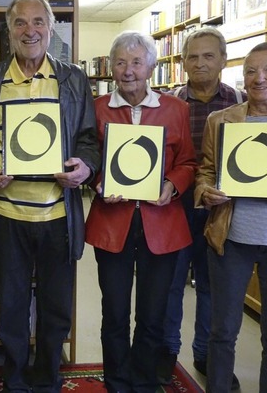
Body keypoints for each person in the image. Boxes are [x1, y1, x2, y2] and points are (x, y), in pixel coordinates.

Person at [0, 0, 100, 392]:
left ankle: (48, 377)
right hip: (6, 215)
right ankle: (16, 378)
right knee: (12, 304)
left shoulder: (72, 78)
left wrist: (84, 167)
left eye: (38, 22)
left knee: (57, 307)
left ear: (51, 28)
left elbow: (89, 139)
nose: (30, 30)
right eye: (20, 23)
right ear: (8, 32)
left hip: (58, 214)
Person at [195, 42, 267, 393]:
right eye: (250, 71)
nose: (258, 78)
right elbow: (205, 173)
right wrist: (206, 192)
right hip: (230, 240)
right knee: (222, 333)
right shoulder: (223, 121)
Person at [84, 31, 196, 393]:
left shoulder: (176, 109)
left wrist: (172, 186)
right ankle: (117, 382)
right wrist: (99, 182)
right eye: (120, 62)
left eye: (136, 62)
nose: (128, 70)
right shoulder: (97, 108)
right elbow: (88, 159)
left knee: (152, 313)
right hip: (111, 223)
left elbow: (189, 163)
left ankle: (145, 381)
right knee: (114, 311)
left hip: (161, 224)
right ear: (111, 68)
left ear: (151, 66)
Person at [158, 28, 244, 390]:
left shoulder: (241, 104)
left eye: (209, 56)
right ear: (182, 63)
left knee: (212, 287)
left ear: (224, 60)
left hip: (219, 212)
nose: (200, 63)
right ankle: (166, 354)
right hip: (176, 208)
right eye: (192, 56)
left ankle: (206, 354)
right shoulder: (170, 103)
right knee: (172, 284)